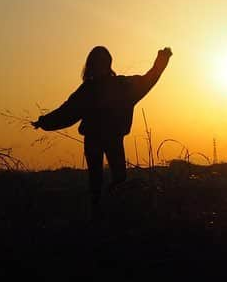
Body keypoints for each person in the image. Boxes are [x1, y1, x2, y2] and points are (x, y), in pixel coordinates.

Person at [33, 46, 172, 209]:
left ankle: (106, 213)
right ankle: (107, 213)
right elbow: (67, 112)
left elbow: (67, 112)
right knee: (108, 181)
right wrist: (45, 122)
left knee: (107, 182)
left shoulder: (99, 88)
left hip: (102, 139)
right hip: (104, 139)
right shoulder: (114, 86)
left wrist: (44, 122)